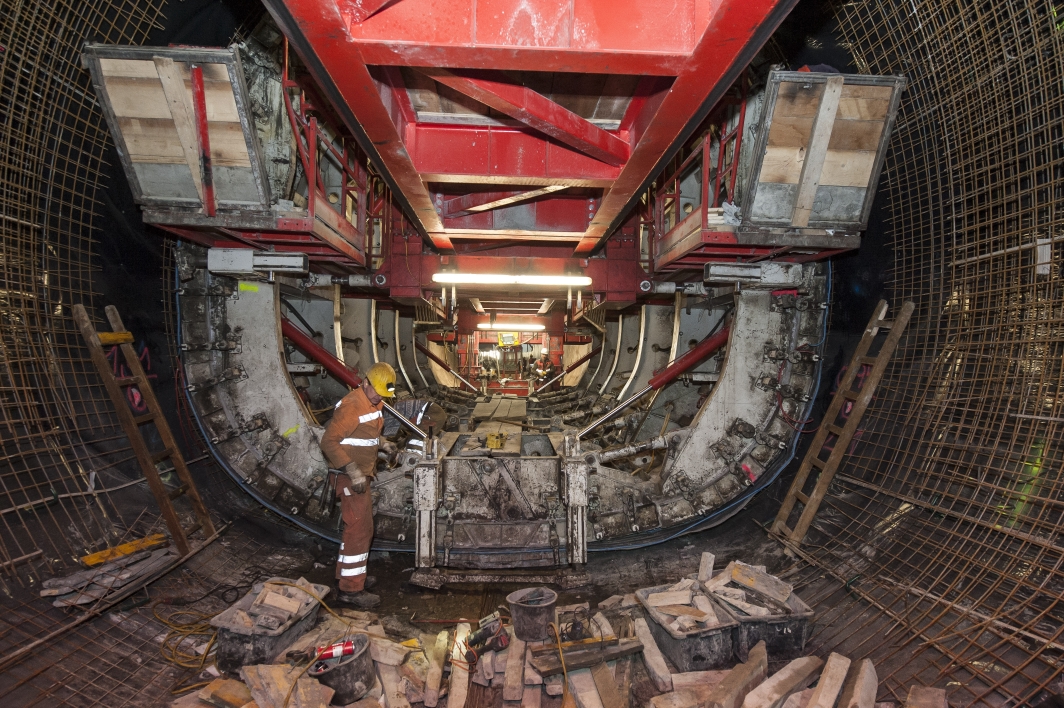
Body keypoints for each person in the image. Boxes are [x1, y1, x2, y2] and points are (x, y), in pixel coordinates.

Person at [319, 361, 396, 608]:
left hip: (361, 474)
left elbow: (365, 432)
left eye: (383, 395)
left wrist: (383, 444)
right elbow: (329, 442)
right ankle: (351, 591)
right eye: (377, 392)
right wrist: (353, 472)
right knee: (360, 530)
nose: (379, 398)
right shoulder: (352, 405)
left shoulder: (373, 401)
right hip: (350, 476)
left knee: (356, 529)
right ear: (365, 382)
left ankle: (347, 574)